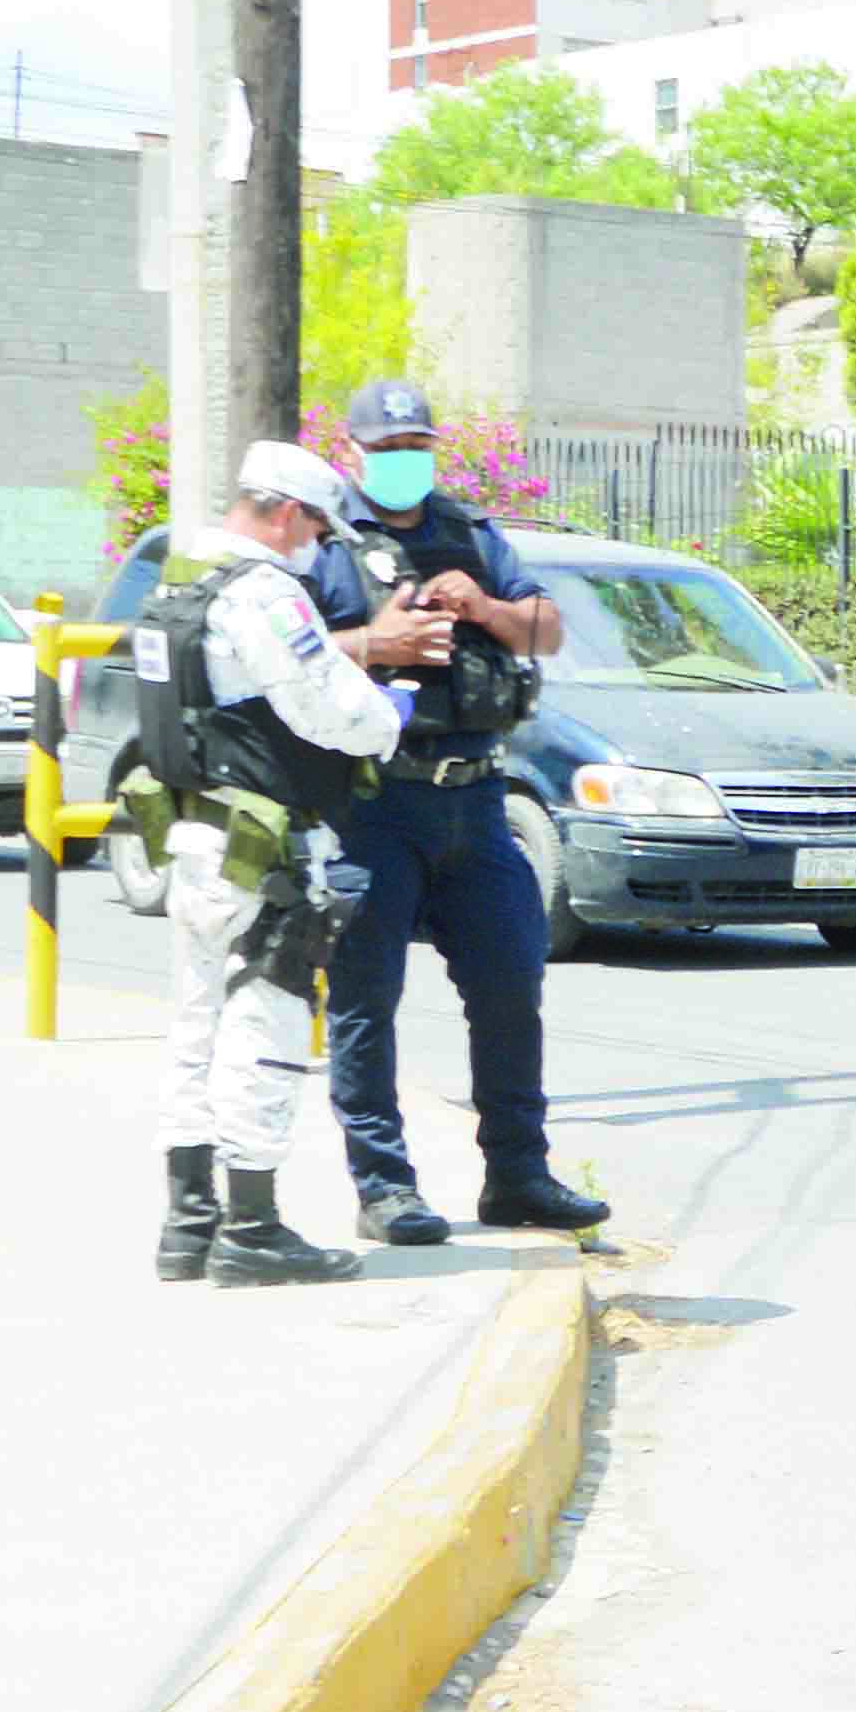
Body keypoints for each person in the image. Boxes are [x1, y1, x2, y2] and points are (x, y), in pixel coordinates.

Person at [119, 438, 420, 1289]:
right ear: (288, 513)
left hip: (189, 834)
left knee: (194, 1021)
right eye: (319, 529)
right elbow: (325, 705)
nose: (320, 548)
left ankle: (188, 1223)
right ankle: (251, 1228)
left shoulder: (177, 582)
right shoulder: (262, 593)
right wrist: (388, 715)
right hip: (263, 844)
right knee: (269, 1018)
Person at [313, 376, 601, 1239]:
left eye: (416, 448)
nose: (405, 462)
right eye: (388, 449)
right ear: (355, 452)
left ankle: (517, 1176)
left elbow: (546, 629)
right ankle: (384, 1188)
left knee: (510, 984)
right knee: (366, 999)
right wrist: (378, 643)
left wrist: (484, 606)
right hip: (376, 803)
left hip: (475, 802)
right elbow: (281, 656)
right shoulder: (328, 546)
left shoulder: (470, 533)